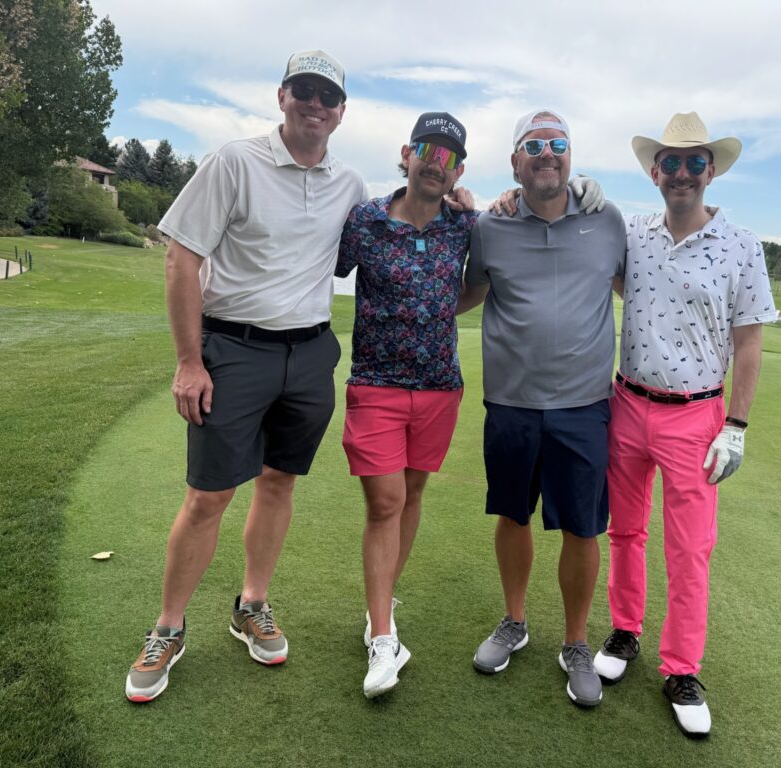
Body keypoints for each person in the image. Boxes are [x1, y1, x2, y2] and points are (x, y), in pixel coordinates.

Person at [125, 50, 368, 703]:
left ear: (342, 111)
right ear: (283, 95)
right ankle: (168, 629)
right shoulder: (235, 161)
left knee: (279, 482)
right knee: (208, 496)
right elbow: (181, 260)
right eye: (305, 91)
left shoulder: (349, 184)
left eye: (329, 96)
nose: (316, 105)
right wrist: (188, 360)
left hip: (310, 352)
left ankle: (251, 604)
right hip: (232, 350)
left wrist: (456, 198)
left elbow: (390, 235)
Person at [590, 112, 777, 736]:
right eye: (670, 162)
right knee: (625, 531)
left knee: (691, 549)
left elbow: (748, 343)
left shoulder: (741, 245)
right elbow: (589, 249)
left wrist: (738, 424)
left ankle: (681, 667)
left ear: (711, 170)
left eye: (694, 162)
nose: (682, 173)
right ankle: (623, 632)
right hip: (627, 403)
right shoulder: (634, 233)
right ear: (654, 172)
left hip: (695, 414)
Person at [459, 109, 625, 709]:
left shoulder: (607, 220)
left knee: (583, 528)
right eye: (534, 145)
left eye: (558, 144)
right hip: (511, 402)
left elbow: (640, 288)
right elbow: (468, 292)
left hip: (584, 406)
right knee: (513, 515)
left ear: (571, 156)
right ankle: (514, 621)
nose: (546, 153)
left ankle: (576, 643)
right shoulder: (491, 225)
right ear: (515, 162)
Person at [335, 112, 476, 698]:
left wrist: (439, 309)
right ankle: (384, 638)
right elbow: (322, 268)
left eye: (448, 157)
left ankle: (380, 604)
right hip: (376, 383)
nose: (435, 163)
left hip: (441, 385)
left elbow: (480, 285)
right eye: (427, 150)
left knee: (412, 495)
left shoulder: (465, 225)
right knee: (384, 501)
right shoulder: (365, 220)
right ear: (406, 153)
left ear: (458, 170)